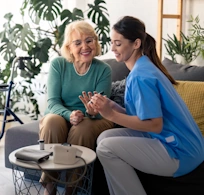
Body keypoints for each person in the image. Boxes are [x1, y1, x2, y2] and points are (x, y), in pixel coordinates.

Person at [89, 16, 204, 195]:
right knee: (104, 138)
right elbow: (142, 116)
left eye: (118, 44)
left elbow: (154, 124)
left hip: (180, 152)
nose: (112, 49)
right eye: (112, 43)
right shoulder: (141, 69)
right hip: (168, 140)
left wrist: (110, 115)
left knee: (106, 148)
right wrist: (110, 106)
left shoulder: (141, 76)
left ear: (136, 44)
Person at [39, 20, 114, 195]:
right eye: (77, 42)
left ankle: (71, 189)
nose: (85, 46)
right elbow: (52, 102)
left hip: (93, 119)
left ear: (95, 43)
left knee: (82, 128)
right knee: (51, 122)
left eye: (89, 40)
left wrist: (91, 112)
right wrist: (69, 114)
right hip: (63, 114)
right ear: (68, 47)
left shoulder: (104, 70)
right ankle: (49, 185)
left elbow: (100, 108)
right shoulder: (59, 64)